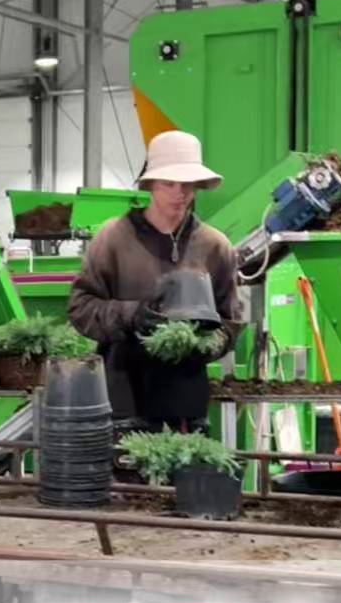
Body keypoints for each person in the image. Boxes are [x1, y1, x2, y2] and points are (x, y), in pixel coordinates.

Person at [68, 130, 241, 430]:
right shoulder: (114, 238)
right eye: (168, 183)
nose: (179, 193)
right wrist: (131, 315)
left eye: (187, 184)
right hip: (123, 397)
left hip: (186, 403)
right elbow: (81, 307)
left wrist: (203, 345)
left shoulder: (215, 246)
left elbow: (230, 321)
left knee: (185, 462)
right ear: (150, 184)